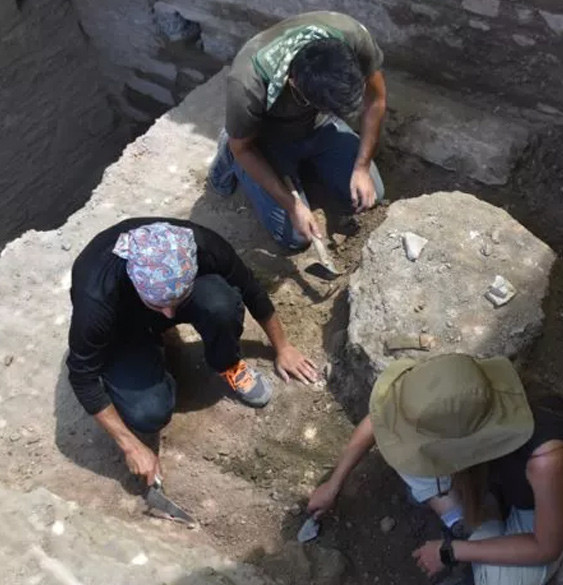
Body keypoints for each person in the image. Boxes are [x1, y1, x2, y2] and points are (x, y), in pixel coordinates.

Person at [306, 353, 563, 585]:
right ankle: (476, 531)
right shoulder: (458, 394)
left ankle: (475, 539)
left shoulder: (545, 461)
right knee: (400, 443)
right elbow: (380, 421)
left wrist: (450, 551)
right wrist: (333, 484)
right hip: (488, 477)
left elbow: (546, 546)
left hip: (537, 507)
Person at [66, 218, 320, 486]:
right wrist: (130, 445)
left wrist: (283, 347)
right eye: (159, 305)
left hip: (163, 298)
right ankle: (142, 356)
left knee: (221, 303)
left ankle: (227, 363)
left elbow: (251, 289)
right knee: (148, 413)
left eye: (176, 301)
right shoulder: (96, 300)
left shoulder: (203, 245)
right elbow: (82, 377)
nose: (169, 315)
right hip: (123, 328)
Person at [208, 10, 387, 250]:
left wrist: (361, 167)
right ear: (292, 81)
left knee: (370, 196)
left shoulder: (351, 36)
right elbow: (244, 149)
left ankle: (305, 165)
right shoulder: (248, 85)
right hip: (267, 138)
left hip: (319, 125)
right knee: (297, 238)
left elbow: (375, 99)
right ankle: (232, 139)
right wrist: (292, 205)